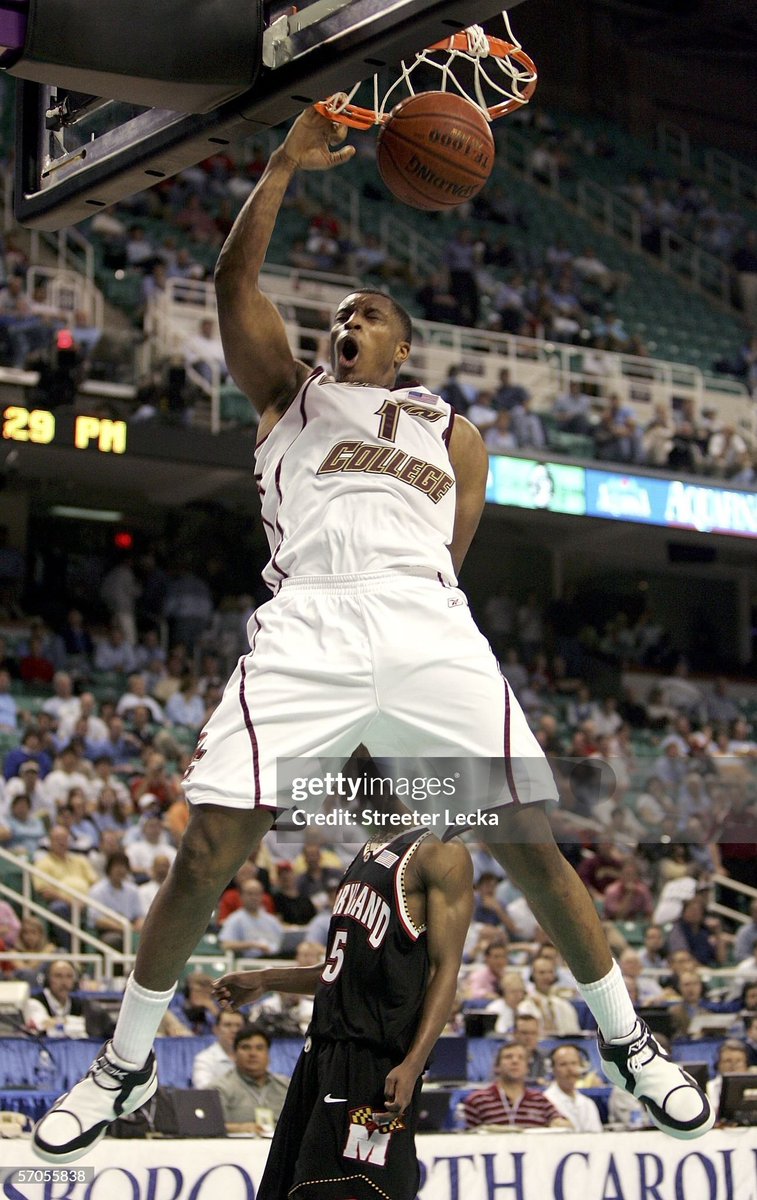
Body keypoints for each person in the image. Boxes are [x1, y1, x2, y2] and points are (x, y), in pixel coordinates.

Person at [32, 107, 712, 1166]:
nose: (345, 323)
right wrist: (282, 166)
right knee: (213, 842)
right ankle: (122, 1064)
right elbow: (229, 286)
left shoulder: (460, 435)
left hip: (423, 612)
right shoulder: (286, 399)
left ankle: (626, 1041)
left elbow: (450, 551)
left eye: (367, 314)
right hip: (310, 611)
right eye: (337, 315)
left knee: (527, 839)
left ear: (405, 344)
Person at [213, 826, 472, 1200]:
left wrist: (414, 1062)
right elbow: (341, 972)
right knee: (289, 1187)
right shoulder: (365, 852)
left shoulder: (439, 850)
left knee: (349, 1189)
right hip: (321, 1050)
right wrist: (266, 979)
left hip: (374, 1060)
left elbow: (444, 969)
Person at [463, 1042, 569, 1129]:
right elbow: (467, 1139)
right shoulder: (477, 1100)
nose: (515, 1061)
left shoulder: (540, 1100)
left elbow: (563, 1124)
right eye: (508, 1057)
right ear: (497, 1067)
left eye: (521, 1058)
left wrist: (559, 1123)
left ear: (527, 1068)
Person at [213, 1024, 289, 1134]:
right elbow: (209, 1126)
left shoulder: (286, 1086)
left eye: (259, 1048)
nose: (253, 1054)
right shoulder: (220, 1088)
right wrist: (239, 1129)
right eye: (246, 1047)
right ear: (234, 1054)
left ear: (268, 1054)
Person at [543, 1043, 604, 1132]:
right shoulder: (545, 1102)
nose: (570, 1069)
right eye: (563, 1064)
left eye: (574, 1063)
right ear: (552, 1069)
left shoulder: (588, 1104)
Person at [24, 959, 87, 1038]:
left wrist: (59, 1022)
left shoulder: (78, 1003)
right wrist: (75, 1023)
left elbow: (89, 1025)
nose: (64, 982)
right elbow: (41, 1025)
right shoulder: (35, 1001)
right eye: (58, 976)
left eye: (69, 976)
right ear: (47, 979)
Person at [192, 1008, 245, 1088]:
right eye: (228, 1025)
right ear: (216, 1029)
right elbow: (204, 1090)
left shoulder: (252, 1056)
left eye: (238, 1026)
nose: (234, 1030)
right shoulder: (205, 1059)